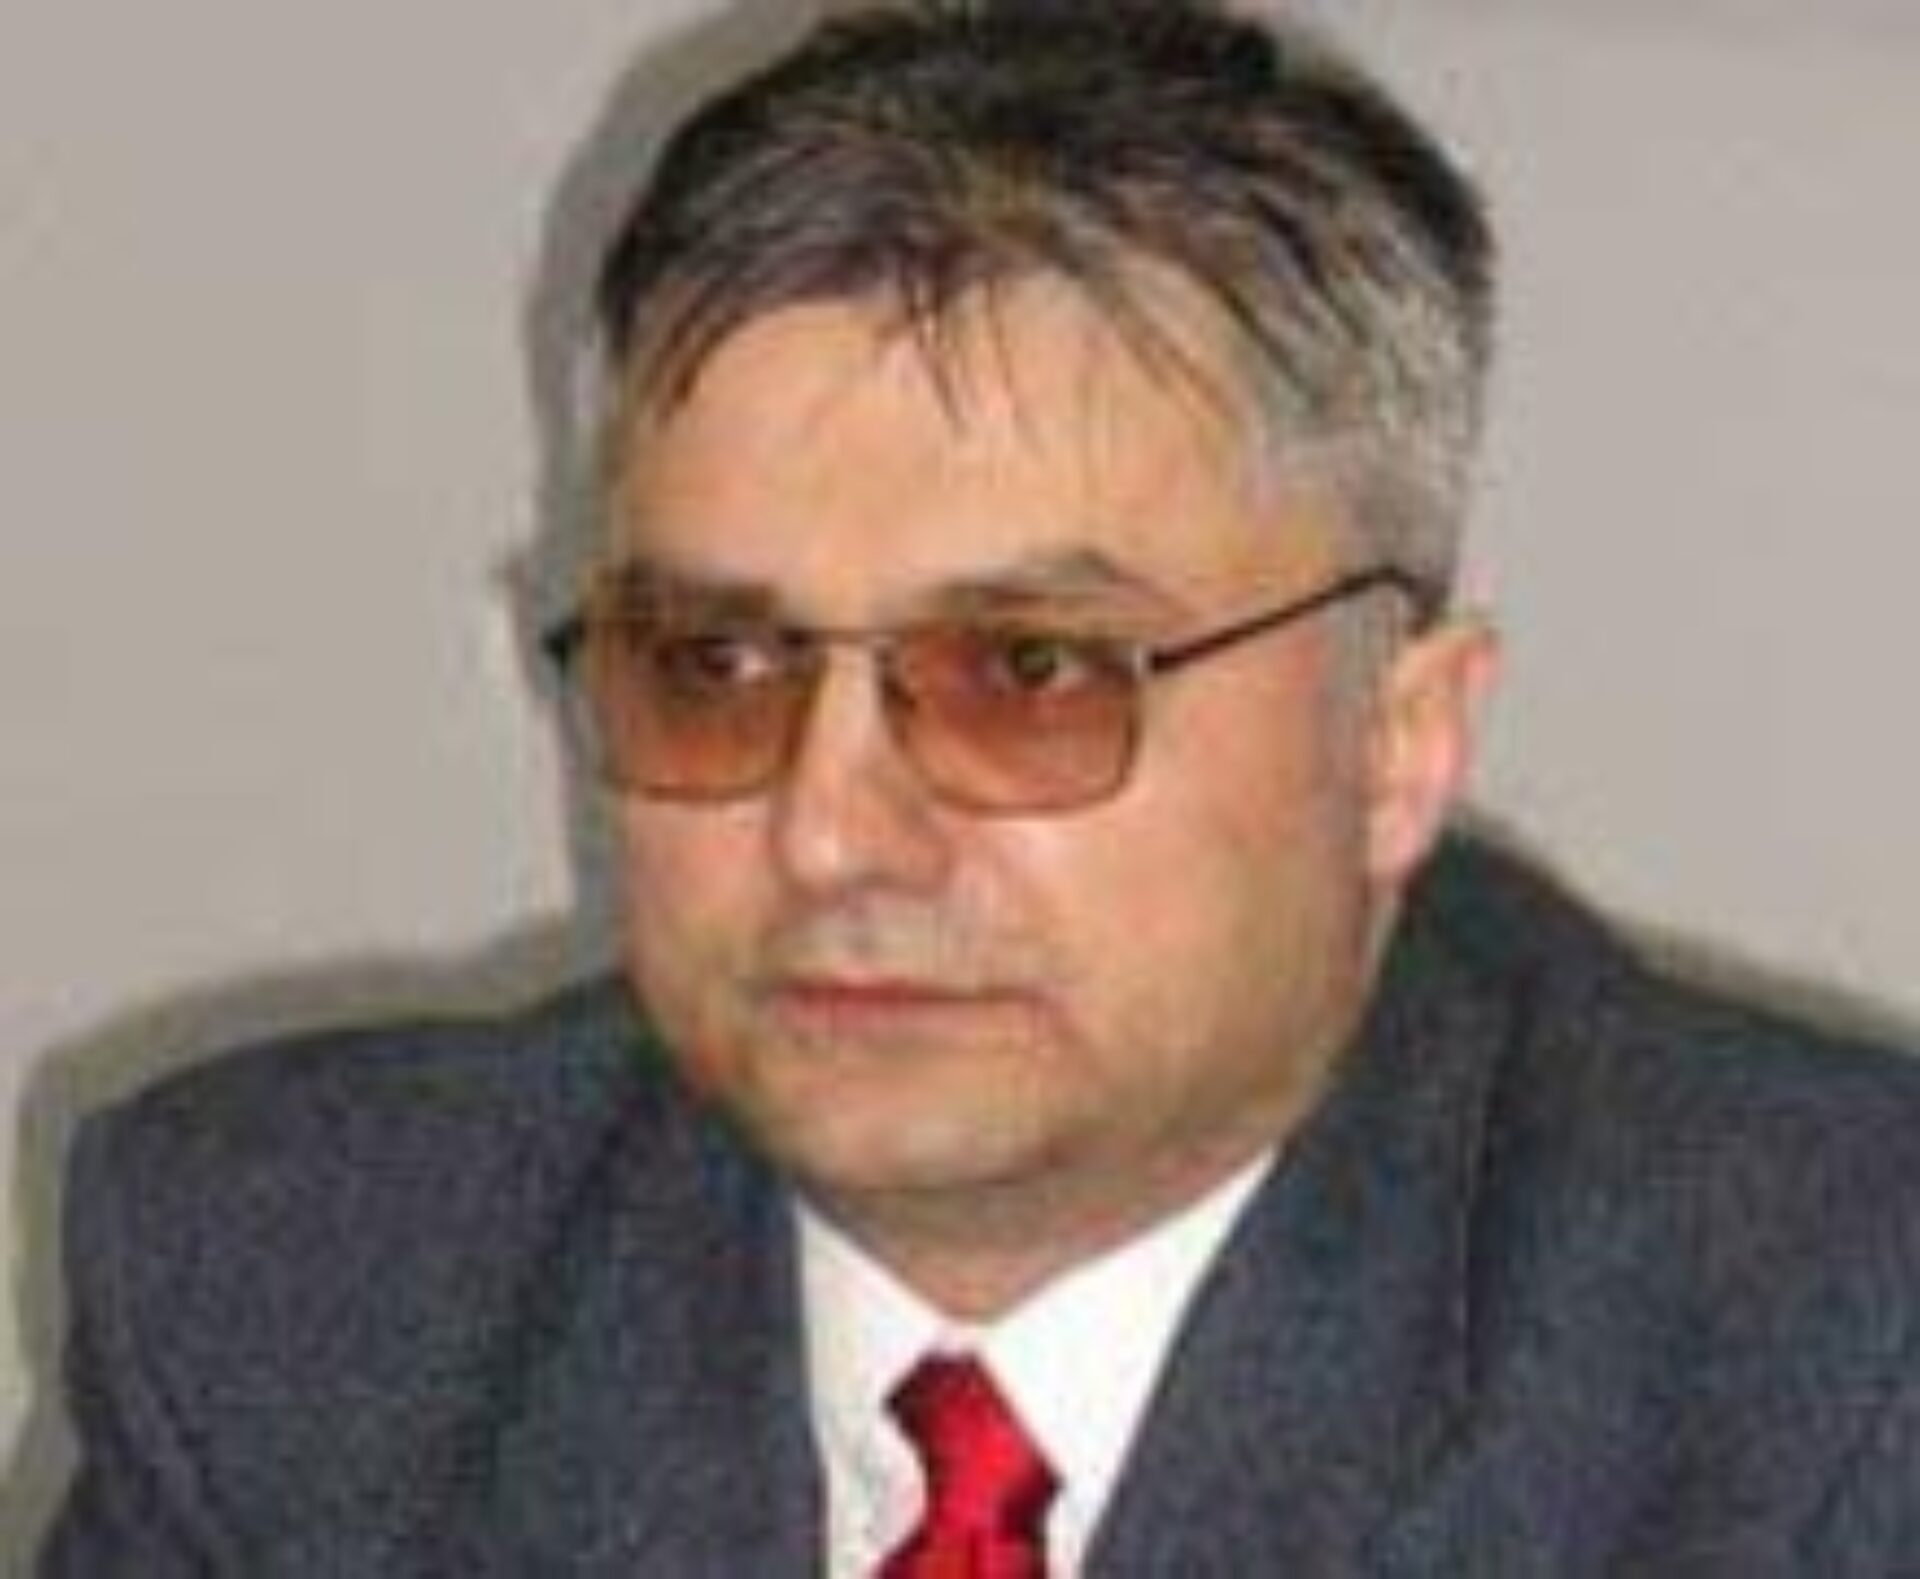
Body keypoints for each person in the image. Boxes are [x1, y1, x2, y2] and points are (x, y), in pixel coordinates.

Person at [40, 1, 1920, 1573]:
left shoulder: (1837, 1374)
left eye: (1027, 675)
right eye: (717, 667)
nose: (831, 832)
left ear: (1397, 745)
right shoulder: (301, 1295)